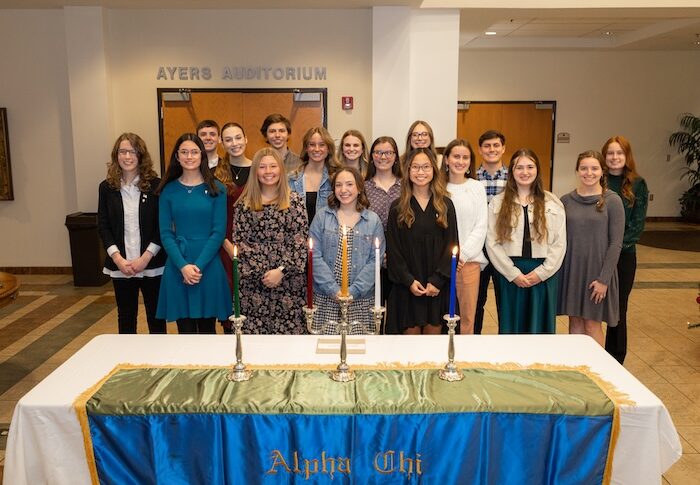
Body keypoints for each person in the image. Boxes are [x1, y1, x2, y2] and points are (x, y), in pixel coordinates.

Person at [155, 133, 232, 334]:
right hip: (178, 265)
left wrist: (197, 267)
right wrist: (183, 267)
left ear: (202, 156)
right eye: (184, 152)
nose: (189, 156)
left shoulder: (218, 189)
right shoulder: (168, 190)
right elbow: (165, 233)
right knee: (185, 331)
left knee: (208, 330)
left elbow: (218, 232)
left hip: (207, 265)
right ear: (177, 157)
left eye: (194, 152)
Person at [486, 149, 566, 334]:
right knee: (511, 326)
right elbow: (492, 242)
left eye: (530, 166)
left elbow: (559, 243)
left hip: (543, 274)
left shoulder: (552, 202)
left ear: (537, 169)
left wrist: (542, 272)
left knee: (540, 328)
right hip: (510, 274)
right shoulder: (498, 203)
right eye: (519, 167)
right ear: (511, 172)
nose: (525, 172)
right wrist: (513, 273)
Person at [232, 148, 308, 334]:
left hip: (289, 287)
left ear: (281, 169)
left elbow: (299, 242)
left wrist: (281, 271)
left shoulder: (295, 201)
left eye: (273, 166)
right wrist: (265, 274)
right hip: (253, 287)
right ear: (255, 171)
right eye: (262, 167)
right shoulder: (244, 204)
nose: (268, 171)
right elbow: (241, 243)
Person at [97, 133, 166, 334]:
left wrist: (145, 258)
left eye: (133, 151)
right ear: (116, 155)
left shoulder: (156, 185)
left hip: (151, 264)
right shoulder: (107, 187)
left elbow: (161, 226)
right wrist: (117, 259)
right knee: (126, 317)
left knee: (156, 317)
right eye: (123, 151)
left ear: (141, 155)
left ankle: (159, 361)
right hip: (121, 265)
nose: (127, 156)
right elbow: (104, 225)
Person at [386, 148, 459, 335]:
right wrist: (409, 281)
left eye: (426, 167)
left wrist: (438, 280)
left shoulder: (445, 205)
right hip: (408, 287)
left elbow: (452, 245)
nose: (421, 172)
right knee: (410, 350)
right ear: (407, 171)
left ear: (434, 170)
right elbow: (394, 250)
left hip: (437, 288)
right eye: (415, 167)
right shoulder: (397, 207)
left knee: (434, 348)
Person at [558, 150, 624, 346]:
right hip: (572, 270)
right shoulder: (566, 201)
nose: (589, 173)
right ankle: (577, 369)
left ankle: (597, 371)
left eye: (594, 168)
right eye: (584, 168)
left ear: (602, 171)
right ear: (577, 171)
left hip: (597, 273)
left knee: (592, 325)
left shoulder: (612, 201)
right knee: (575, 321)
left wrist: (604, 279)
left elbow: (616, 243)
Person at [310, 168, 385, 334]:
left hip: (360, 299)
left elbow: (375, 259)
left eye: (349, 184)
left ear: (359, 188)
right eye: (338, 185)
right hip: (326, 297)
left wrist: (353, 291)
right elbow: (314, 255)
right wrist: (333, 290)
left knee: (359, 352)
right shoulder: (322, 217)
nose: (344, 190)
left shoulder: (372, 220)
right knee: (325, 351)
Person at [602, 135, 649, 364]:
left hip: (623, 257)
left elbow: (637, 224)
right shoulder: (596, 179)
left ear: (626, 156)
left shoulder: (638, 184)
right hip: (598, 256)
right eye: (610, 153)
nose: (614, 157)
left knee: (618, 310)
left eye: (619, 153)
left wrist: (615, 248)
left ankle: (615, 358)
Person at [210, 122, 252, 334]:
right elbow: (209, 214)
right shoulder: (213, 174)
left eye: (238, 137)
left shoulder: (259, 169)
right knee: (229, 298)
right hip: (222, 244)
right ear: (221, 143)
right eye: (228, 139)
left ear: (246, 139)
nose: (234, 143)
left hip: (254, 244)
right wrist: (225, 244)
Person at [443, 139, 488, 334]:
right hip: (441, 263)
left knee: (467, 318)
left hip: (468, 263)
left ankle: (464, 360)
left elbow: (481, 226)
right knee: (442, 316)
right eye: (456, 156)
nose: (460, 161)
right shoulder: (438, 187)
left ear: (470, 161)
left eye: (465, 157)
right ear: (446, 159)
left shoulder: (477, 187)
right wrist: (447, 258)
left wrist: (461, 256)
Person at [474, 130, 508, 334]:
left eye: (496, 145)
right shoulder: (471, 178)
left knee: (505, 300)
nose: (492, 150)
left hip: (504, 248)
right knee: (477, 300)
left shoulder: (514, 177)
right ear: (480, 149)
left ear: (503, 148)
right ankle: (474, 343)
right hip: (478, 248)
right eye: (487, 146)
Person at [365, 136, 401, 308]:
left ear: (395, 156)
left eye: (388, 152)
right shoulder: (363, 188)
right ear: (372, 156)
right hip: (371, 259)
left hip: (401, 259)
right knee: (375, 315)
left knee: (396, 317)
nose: (383, 157)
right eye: (378, 152)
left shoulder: (406, 186)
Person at [289, 126, 341, 224]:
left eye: (322, 145)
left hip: (327, 236)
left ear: (328, 149)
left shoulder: (337, 178)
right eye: (312, 144)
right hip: (299, 237)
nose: (317, 149)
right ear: (306, 148)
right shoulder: (292, 179)